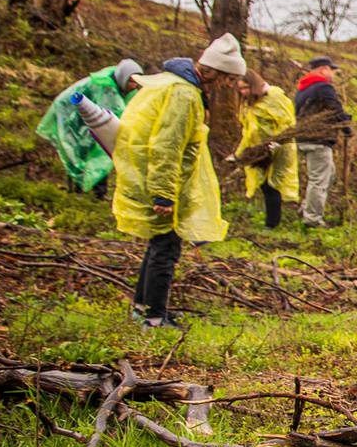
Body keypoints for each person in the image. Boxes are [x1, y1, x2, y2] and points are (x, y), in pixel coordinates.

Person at [109, 57, 229, 327]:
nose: (228, 87)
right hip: (165, 183)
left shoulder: (180, 86)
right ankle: (153, 318)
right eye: (228, 80)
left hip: (167, 181)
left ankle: (143, 308)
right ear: (216, 75)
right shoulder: (184, 95)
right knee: (166, 249)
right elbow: (168, 145)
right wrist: (164, 193)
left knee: (159, 244)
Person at [35, 59, 143, 196]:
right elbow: (117, 113)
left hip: (87, 114)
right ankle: (78, 191)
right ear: (123, 77)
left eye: (136, 82)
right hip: (69, 111)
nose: (134, 86)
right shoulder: (106, 87)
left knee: (99, 149)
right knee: (79, 150)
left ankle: (95, 191)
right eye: (131, 81)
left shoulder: (122, 87)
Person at [230, 68, 298, 230]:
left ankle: (272, 224)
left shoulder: (273, 97)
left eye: (246, 88)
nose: (244, 92)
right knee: (263, 183)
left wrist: (277, 142)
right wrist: (239, 154)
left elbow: (287, 123)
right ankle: (271, 222)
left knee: (272, 184)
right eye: (240, 89)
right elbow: (248, 131)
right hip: (259, 149)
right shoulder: (247, 104)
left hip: (279, 148)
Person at [292, 57, 351, 227]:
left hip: (304, 137)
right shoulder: (323, 87)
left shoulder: (303, 88)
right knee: (319, 179)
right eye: (331, 70)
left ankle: (306, 207)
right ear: (323, 69)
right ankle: (312, 219)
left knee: (328, 174)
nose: (333, 74)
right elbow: (335, 108)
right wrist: (346, 127)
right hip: (319, 139)